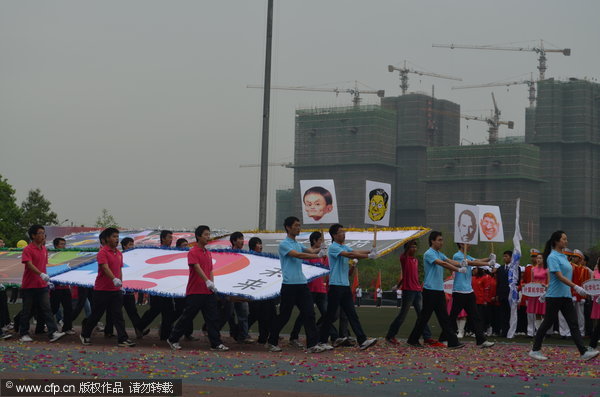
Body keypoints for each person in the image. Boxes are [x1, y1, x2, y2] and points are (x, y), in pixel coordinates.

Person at [528, 231, 598, 361]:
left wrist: (572, 289)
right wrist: (576, 287)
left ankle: (583, 352)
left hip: (565, 295)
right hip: (554, 296)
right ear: (556, 241)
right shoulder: (552, 257)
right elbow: (559, 276)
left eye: (566, 239)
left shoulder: (563, 256)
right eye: (564, 239)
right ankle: (535, 350)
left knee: (573, 323)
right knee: (547, 323)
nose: (566, 241)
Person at [267, 216, 327, 353]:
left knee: (309, 313)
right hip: (289, 285)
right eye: (296, 225)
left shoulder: (297, 243)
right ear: (288, 227)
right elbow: (299, 255)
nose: (299, 228)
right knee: (284, 316)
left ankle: (312, 344)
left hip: (302, 284)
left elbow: (310, 251)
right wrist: (318, 255)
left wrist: (320, 248)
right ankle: (271, 341)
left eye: (299, 225)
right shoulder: (284, 245)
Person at [317, 224, 378, 351]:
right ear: (334, 235)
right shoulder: (333, 247)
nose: (343, 234)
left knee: (352, 314)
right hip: (335, 285)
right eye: (340, 232)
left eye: (343, 231)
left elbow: (355, 252)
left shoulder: (344, 246)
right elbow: (350, 255)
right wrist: (368, 256)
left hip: (345, 286)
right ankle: (322, 340)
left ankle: (362, 340)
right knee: (330, 315)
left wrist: (371, 251)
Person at [167, 225, 228, 351]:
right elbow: (196, 267)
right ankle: (173, 339)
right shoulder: (193, 252)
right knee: (187, 317)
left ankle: (215, 343)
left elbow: (210, 270)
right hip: (195, 291)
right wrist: (206, 281)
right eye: (205, 234)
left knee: (213, 318)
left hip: (208, 291)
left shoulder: (208, 253)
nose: (208, 237)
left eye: (209, 234)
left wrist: (212, 284)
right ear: (198, 236)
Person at [406, 231, 467, 349]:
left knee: (443, 317)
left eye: (442, 240)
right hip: (430, 290)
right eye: (439, 240)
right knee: (425, 317)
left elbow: (449, 260)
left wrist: (461, 264)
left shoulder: (439, 253)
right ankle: (413, 339)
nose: (441, 242)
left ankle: (452, 342)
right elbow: (443, 264)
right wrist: (458, 270)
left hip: (438, 290)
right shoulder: (429, 254)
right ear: (432, 241)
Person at [80, 228, 134, 347]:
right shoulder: (102, 252)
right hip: (102, 290)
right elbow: (104, 267)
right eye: (114, 236)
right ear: (107, 239)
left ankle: (122, 339)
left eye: (117, 236)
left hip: (115, 290)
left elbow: (119, 269)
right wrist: (113, 279)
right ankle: (85, 334)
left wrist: (120, 283)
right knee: (96, 315)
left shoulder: (119, 253)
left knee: (118, 315)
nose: (116, 239)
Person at [385, 240, 445, 347]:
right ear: (407, 248)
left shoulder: (416, 260)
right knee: (403, 314)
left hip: (417, 290)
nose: (414, 249)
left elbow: (407, 276)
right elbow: (405, 271)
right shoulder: (404, 258)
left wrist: (399, 284)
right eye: (411, 247)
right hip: (408, 291)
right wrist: (399, 286)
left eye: (415, 247)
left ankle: (427, 337)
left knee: (422, 315)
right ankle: (390, 335)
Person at [440, 243, 495, 348]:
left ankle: (481, 340)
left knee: (476, 316)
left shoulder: (467, 256)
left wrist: (489, 258)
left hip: (469, 291)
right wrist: (488, 264)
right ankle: (443, 338)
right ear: (461, 244)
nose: (470, 245)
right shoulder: (457, 256)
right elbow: (471, 263)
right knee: (452, 317)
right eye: (467, 243)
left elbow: (476, 260)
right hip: (459, 291)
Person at [289, 231, 338, 348]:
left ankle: (325, 335)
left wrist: (326, 283)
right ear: (314, 241)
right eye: (320, 240)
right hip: (310, 289)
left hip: (321, 289)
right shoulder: (309, 254)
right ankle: (294, 337)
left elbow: (326, 271)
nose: (322, 242)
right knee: (304, 315)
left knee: (328, 314)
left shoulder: (323, 255)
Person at [18, 225, 65, 343]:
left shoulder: (44, 249)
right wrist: (41, 274)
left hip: (42, 285)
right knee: (27, 310)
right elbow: (29, 264)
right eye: (40, 233)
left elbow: (44, 265)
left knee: (47, 309)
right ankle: (23, 333)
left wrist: (47, 278)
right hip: (29, 286)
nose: (43, 235)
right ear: (33, 235)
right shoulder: (27, 249)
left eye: (43, 233)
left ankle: (53, 332)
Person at [138, 230, 176, 340]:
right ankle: (140, 326)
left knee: (168, 311)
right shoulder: (156, 252)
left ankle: (165, 335)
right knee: (155, 309)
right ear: (163, 239)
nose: (171, 239)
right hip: (156, 286)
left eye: (171, 237)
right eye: (169, 237)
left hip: (167, 287)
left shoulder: (172, 252)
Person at [247, 237, 277, 345]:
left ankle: (266, 336)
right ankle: (240, 332)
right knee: (257, 315)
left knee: (269, 314)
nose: (260, 246)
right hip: (255, 291)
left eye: (260, 243)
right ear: (253, 246)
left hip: (266, 291)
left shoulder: (264, 257)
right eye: (258, 244)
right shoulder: (249, 258)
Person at [227, 232, 253, 344]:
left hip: (241, 289)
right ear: (234, 241)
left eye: (243, 239)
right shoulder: (227, 254)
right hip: (230, 289)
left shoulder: (245, 255)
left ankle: (243, 335)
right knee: (229, 314)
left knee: (243, 314)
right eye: (240, 239)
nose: (242, 241)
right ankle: (235, 332)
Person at [49, 237, 74, 335]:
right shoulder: (52, 257)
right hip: (56, 288)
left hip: (65, 287)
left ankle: (67, 328)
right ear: (55, 246)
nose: (64, 246)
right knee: (54, 308)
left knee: (68, 308)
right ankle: (44, 325)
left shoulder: (67, 257)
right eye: (61, 244)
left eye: (64, 244)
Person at [494, 250, 521, 337]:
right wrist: (497, 294)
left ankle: (512, 331)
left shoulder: (516, 268)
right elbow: (498, 282)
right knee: (503, 314)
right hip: (502, 294)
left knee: (511, 313)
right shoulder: (500, 269)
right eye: (504, 256)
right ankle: (504, 331)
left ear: (511, 258)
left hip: (511, 294)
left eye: (506, 256)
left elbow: (518, 281)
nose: (504, 258)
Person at [525, 250, 548, 337]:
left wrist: (545, 285)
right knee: (536, 312)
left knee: (543, 313)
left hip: (543, 293)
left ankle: (543, 331)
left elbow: (549, 282)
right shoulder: (533, 269)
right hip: (534, 293)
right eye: (537, 258)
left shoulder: (546, 269)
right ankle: (538, 331)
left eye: (540, 258)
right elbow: (531, 281)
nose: (538, 260)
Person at [571, 249, 591, 336]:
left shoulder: (585, 270)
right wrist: (572, 293)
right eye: (574, 256)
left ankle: (581, 332)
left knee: (580, 315)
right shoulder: (571, 267)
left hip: (581, 295)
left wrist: (584, 297)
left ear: (580, 258)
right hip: (572, 294)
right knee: (572, 314)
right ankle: (572, 332)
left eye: (576, 257)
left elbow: (586, 284)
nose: (574, 258)